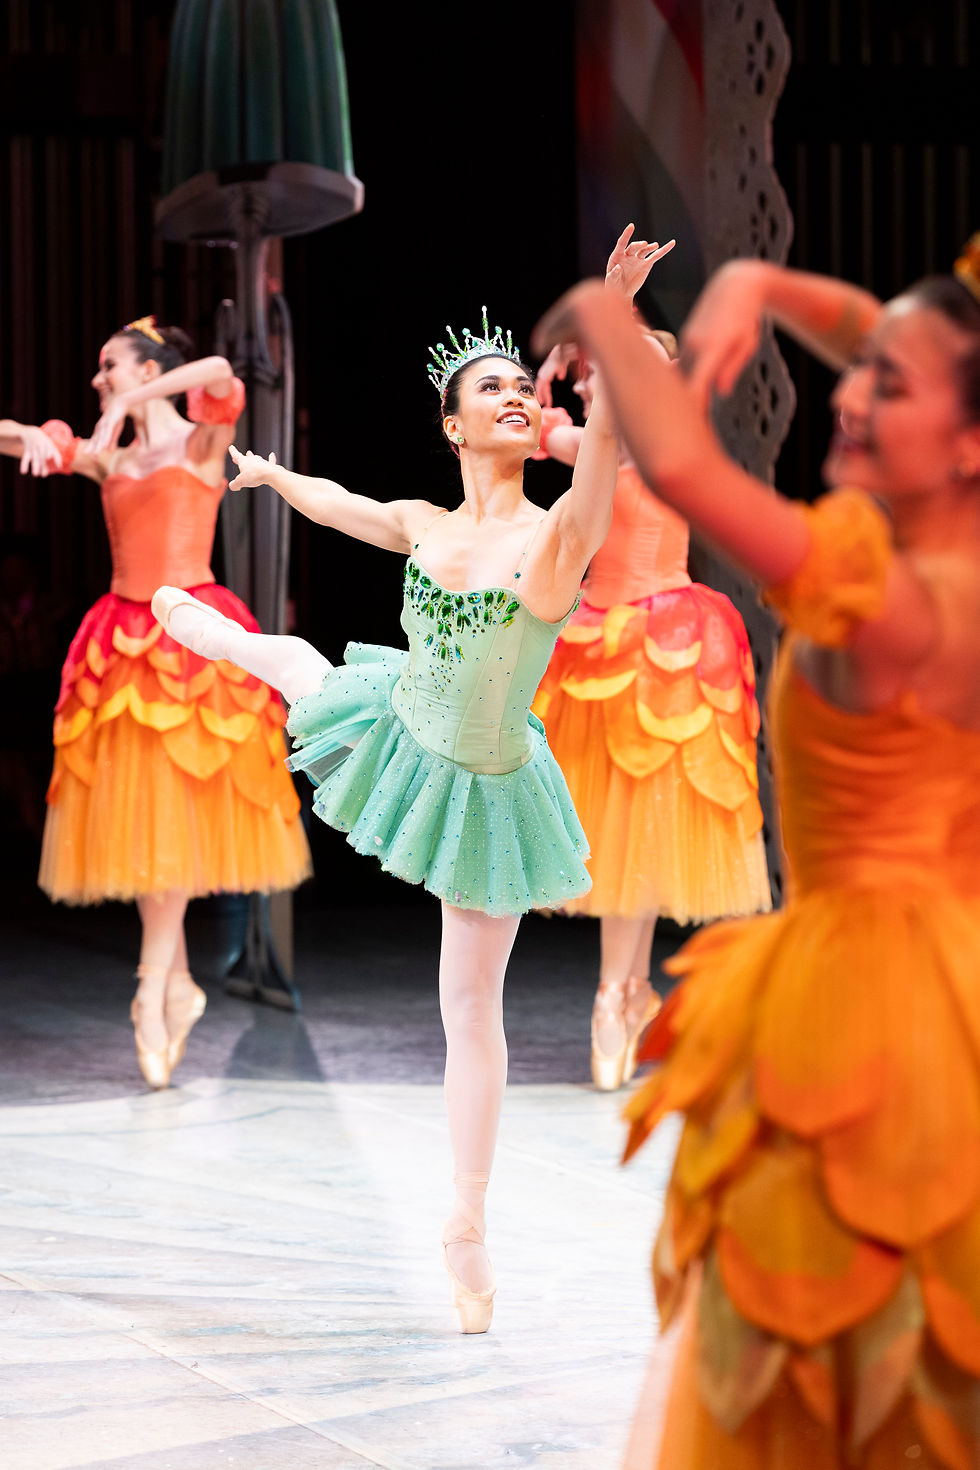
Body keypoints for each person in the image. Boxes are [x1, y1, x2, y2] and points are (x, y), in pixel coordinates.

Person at [150, 235, 667, 1333]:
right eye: (494, 390)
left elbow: (605, 457)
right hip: (404, 729)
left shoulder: (555, 538)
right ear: (453, 425)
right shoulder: (426, 526)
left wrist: (616, 320)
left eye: (525, 389)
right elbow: (349, 507)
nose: (518, 399)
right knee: (302, 667)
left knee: (465, 1009)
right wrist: (275, 475)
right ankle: (226, 639)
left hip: (485, 784)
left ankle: (465, 1221)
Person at [532, 236, 980, 1465]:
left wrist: (596, 309)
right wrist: (766, 290)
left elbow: (680, 464)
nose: (848, 387)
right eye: (861, 366)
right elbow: (883, 326)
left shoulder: (878, 586)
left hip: (868, 1011)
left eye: (888, 386)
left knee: (833, 1323)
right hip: (954, 979)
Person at [0, 319, 312, 1089]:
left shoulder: (203, 443)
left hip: (194, 637)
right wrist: (38, 433)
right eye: (102, 370)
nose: (101, 378)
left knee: (172, 812)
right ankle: (164, 982)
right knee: (144, 821)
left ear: (148, 367)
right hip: (122, 646)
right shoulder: (112, 454)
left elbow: (217, 368)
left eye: (112, 365)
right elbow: (10, 439)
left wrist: (137, 393)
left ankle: (155, 985)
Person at [532, 320, 771, 1092]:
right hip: (599, 643)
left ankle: (616, 997)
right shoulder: (593, 445)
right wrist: (552, 365)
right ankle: (622, 994)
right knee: (617, 833)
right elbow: (547, 428)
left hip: (662, 641)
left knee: (634, 826)